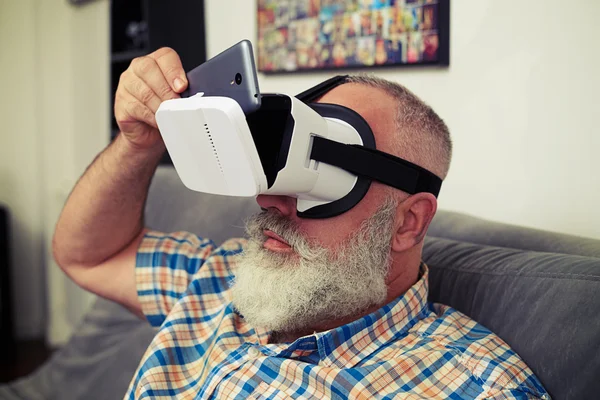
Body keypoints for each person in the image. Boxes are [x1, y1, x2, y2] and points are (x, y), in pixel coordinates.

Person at [53, 47, 550, 399]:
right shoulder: (219, 279)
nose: (270, 200)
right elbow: (86, 255)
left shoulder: (477, 387)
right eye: (274, 168)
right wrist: (139, 142)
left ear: (408, 223)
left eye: (320, 178)